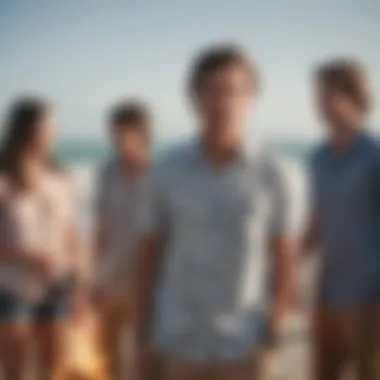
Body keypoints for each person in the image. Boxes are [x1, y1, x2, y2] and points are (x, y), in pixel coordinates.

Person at [134, 44, 298, 380]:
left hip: (244, 343)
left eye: (234, 91)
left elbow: (286, 254)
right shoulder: (166, 170)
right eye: (212, 90)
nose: (223, 102)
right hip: (177, 340)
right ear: (193, 97)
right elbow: (148, 253)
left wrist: (278, 322)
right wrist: (141, 332)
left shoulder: (276, 173)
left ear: (252, 98)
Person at [303, 59, 380, 380]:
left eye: (326, 96)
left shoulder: (375, 155)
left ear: (354, 96)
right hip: (326, 295)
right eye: (317, 97)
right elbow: (314, 226)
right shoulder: (317, 157)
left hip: (371, 294)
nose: (319, 105)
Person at [0, 97, 81, 379]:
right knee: (16, 373)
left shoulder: (61, 177)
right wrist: (29, 256)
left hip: (57, 288)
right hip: (12, 290)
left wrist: (79, 284)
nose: (55, 132)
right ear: (29, 130)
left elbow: (71, 235)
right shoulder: (4, 180)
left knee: (55, 371)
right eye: (50, 126)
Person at [94, 100, 151, 379]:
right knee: (109, 356)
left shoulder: (161, 175)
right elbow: (101, 228)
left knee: (145, 357)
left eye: (122, 133)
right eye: (112, 134)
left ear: (142, 133)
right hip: (113, 279)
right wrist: (95, 275)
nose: (115, 140)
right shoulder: (107, 172)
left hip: (149, 282)